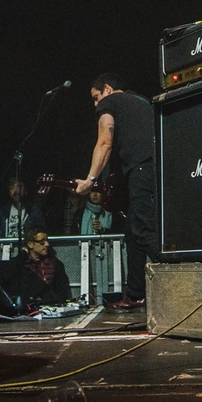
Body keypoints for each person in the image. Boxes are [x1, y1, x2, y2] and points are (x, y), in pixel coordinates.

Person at [75, 73, 156, 310]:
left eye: (96, 97)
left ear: (107, 89)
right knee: (134, 231)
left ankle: (181, 283)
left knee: (144, 227)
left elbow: (105, 142)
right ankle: (136, 293)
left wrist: (90, 179)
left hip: (141, 167)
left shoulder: (110, 102)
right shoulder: (142, 101)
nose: (95, 104)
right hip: (158, 166)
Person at [12, 227, 71, 305]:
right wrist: (23, 254)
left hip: (52, 307)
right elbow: (10, 268)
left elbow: (63, 290)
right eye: (42, 242)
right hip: (29, 308)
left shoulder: (56, 264)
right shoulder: (22, 265)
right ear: (30, 244)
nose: (47, 244)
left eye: (47, 241)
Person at [0, 178, 43, 245]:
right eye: (12, 187)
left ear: (25, 190)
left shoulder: (34, 212)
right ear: (9, 191)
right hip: (5, 252)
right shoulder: (1, 212)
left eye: (19, 187)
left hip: (27, 252)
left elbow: (41, 236)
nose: (16, 191)